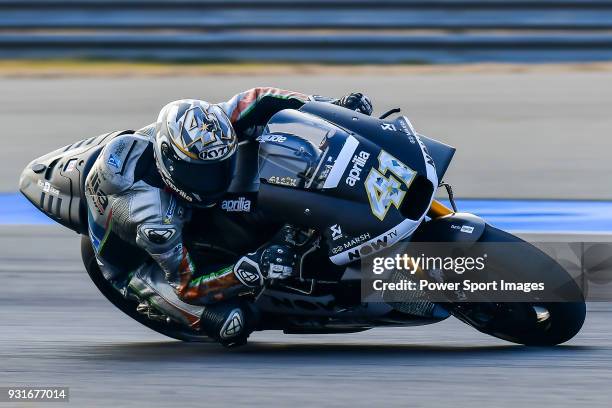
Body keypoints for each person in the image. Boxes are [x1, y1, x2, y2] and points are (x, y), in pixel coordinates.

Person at [84, 87, 373, 346]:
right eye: (204, 174)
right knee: (233, 322)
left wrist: (331, 107)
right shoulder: (156, 222)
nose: (218, 178)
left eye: (222, 165)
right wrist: (251, 269)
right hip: (141, 267)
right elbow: (187, 286)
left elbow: (263, 99)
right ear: (171, 165)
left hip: (183, 206)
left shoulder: (212, 127)